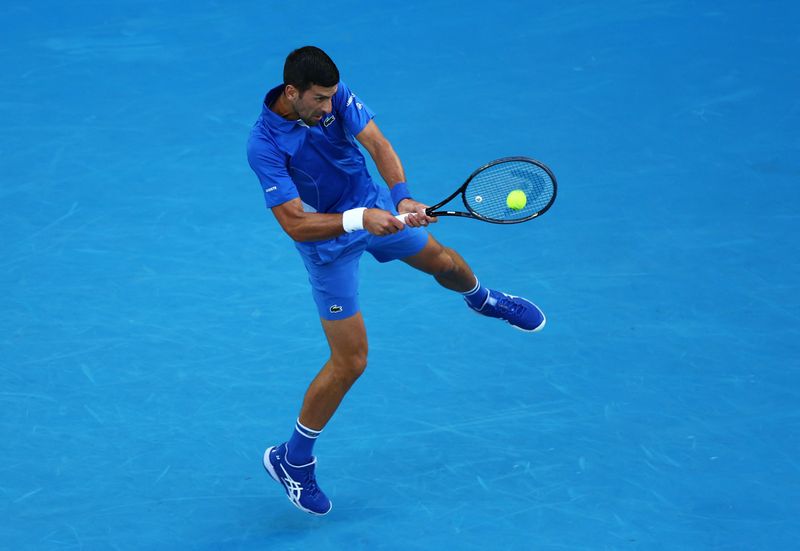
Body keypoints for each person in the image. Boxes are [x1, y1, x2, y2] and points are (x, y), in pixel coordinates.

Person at [246, 46, 546, 516]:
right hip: (330, 242)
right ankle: (292, 460)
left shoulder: (336, 95)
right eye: (320, 99)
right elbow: (295, 224)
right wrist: (358, 219)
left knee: (445, 262)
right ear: (292, 92)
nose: (329, 107)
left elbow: (379, 145)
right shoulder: (263, 144)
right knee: (351, 362)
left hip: (376, 210)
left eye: (331, 97)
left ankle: (484, 299)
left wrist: (402, 199)